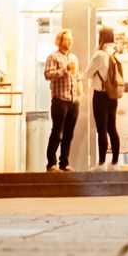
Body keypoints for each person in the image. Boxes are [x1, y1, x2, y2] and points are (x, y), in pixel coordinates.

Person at [87, 25, 124, 168]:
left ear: (101, 37)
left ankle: (101, 162)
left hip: (101, 95)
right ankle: (115, 162)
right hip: (112, 95)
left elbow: (88, 73)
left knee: (101, 129)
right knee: (112, 128)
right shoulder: (114, 54)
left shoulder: (99, 55)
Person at [43, 29, 80, 171]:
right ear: (60, 41)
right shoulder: (53, 57)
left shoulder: (74, 58)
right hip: (59, 100)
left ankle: (64, 163)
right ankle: (51, 164)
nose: (70, 42)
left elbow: (77, 76)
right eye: (67, 39)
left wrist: (79, 92)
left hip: (73, 100)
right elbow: (47, 75)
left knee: (69, 134)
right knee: (57, 132)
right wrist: (64, 70)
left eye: (71, 39)